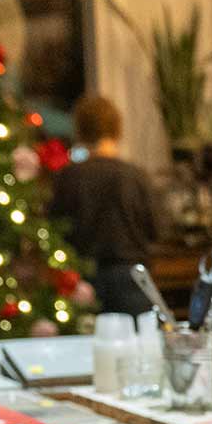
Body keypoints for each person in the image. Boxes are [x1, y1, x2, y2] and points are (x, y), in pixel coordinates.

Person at [48, 93, 163, 317]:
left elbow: (55, 230)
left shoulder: (68, 177)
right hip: (132, 279)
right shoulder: (135, 176)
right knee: (140, 347)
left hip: (84, 280)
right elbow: (156, 229)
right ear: (117, 129)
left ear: (79, 130)